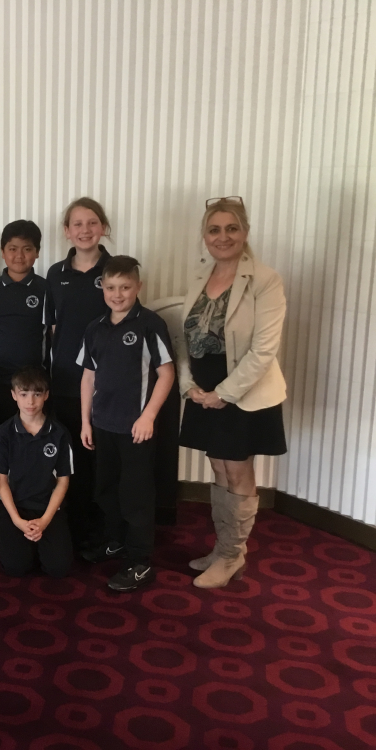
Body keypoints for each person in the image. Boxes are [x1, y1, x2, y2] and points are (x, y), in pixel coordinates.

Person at [178, 197, 287, 589]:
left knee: (237, 469)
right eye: (214, 229)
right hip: (204, 391)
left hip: (243, 392)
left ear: (245, 232)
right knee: (219, 466)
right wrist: (188, 385)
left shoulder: (265, 280)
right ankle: (224, 549)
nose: (222, 237)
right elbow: (186, 337)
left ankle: (231, 555)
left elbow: (264, 350)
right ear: (204, 235)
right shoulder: (200, 277)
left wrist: (224, 393)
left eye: (231, 228)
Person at [79, 256, 175, 592]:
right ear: (102, 288)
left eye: (125, 287)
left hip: (136, 429)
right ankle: (116, 542)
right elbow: (88, 377)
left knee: (136, 496)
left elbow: (166, 374)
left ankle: (140, 561)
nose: (117, 294)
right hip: (103, 425)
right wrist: (85, 421)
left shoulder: (150, 324)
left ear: (138, 287)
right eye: (111, 287)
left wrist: (148, 416)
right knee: (107, 490)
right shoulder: (94, 327)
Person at [46, 198, 112, 549]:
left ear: (103, 227)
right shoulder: (55, 274)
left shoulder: (116, 269)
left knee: (101, 461)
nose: (85, 230)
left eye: (92, 222)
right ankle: (71, 528)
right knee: (71, 457)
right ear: (67, 231)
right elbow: (53, 328)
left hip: (108, 384)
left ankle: (102, 533)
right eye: (77, 224)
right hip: (66, 381)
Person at [0, 365, 74, 578]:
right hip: (17, 508)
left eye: (37, 394)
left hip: (48, 508)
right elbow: (2, 482)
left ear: (46, 395)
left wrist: (45, 520)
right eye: (24, 394)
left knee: (58, 569)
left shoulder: (60, 433)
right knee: (15, 567)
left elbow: (63, 482)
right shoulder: (3, 434)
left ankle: (43, 542)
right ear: (14, 395)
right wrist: (17, 521)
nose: (30, 402)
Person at [0, 220, 50, 425]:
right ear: (2, 252)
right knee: (0, 431)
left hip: (35, 382)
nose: (19, 255)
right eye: (13, 249)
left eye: (27, 249)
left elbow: (53, 332)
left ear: (37, 252)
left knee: (33, 433)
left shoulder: (46, 290)